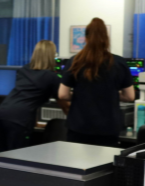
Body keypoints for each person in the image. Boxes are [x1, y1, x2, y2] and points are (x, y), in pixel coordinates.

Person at [58, 18, 135, 147]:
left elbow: (62, 95)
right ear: (106, 38)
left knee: (75, 164)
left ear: (86, 38)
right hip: (108, 128)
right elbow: (130, 96)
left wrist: (80, 94)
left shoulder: (74, 61)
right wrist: (110, 95)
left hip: (79, 126)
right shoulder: (119, 62)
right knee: (105, 165)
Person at [0, 40, 65, 153]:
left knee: (1, 155)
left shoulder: (24, 70)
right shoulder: (52, 77)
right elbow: (63, 102)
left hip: (2, 114)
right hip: (19, 120)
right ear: (51, 56)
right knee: (17, 157)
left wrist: (34, 121)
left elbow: (28, 96)